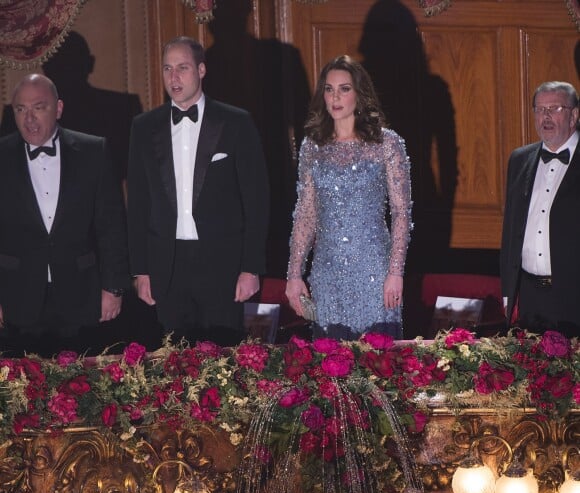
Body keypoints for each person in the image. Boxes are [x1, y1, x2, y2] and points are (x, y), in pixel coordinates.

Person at [127, 37, 270, 346]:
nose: (174, 78)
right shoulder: (144, 127)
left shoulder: (236, 122)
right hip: (167, 264)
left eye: (182, 68)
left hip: (222, 265)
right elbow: (137, 204)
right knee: (173, 364)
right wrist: (140, 271)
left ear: (201, 70)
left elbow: (256, 202)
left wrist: (250, 268)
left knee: (224, 361)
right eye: (167, 69)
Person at [0, 74, 130, 356]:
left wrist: (114, 288)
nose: (29, 119)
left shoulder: (94, 151)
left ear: (58, 108)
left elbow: (112, 227)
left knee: (82, 390)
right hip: (16, 299)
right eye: (21, 109)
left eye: (38, 107)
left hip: (82, 297)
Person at [285, 55, 413, 340]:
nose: (335, 97)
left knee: (379, 371)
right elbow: (305, 213)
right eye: (329, 89)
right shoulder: (312, 147)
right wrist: (294, 274)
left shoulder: (386, 143)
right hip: (327, 276)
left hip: (375, 272)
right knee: (332, 373)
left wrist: (395, 271)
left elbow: (402, 213)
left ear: (359, 93)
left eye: (344, 88)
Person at [501, 81, 580, 338]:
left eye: (554, 108)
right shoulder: (519, 159)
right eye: (540, 109)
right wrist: (508, 295)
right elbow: (510, 232)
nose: (545, 116)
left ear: (574, 115)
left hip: (572, 296)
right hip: (530, 297)